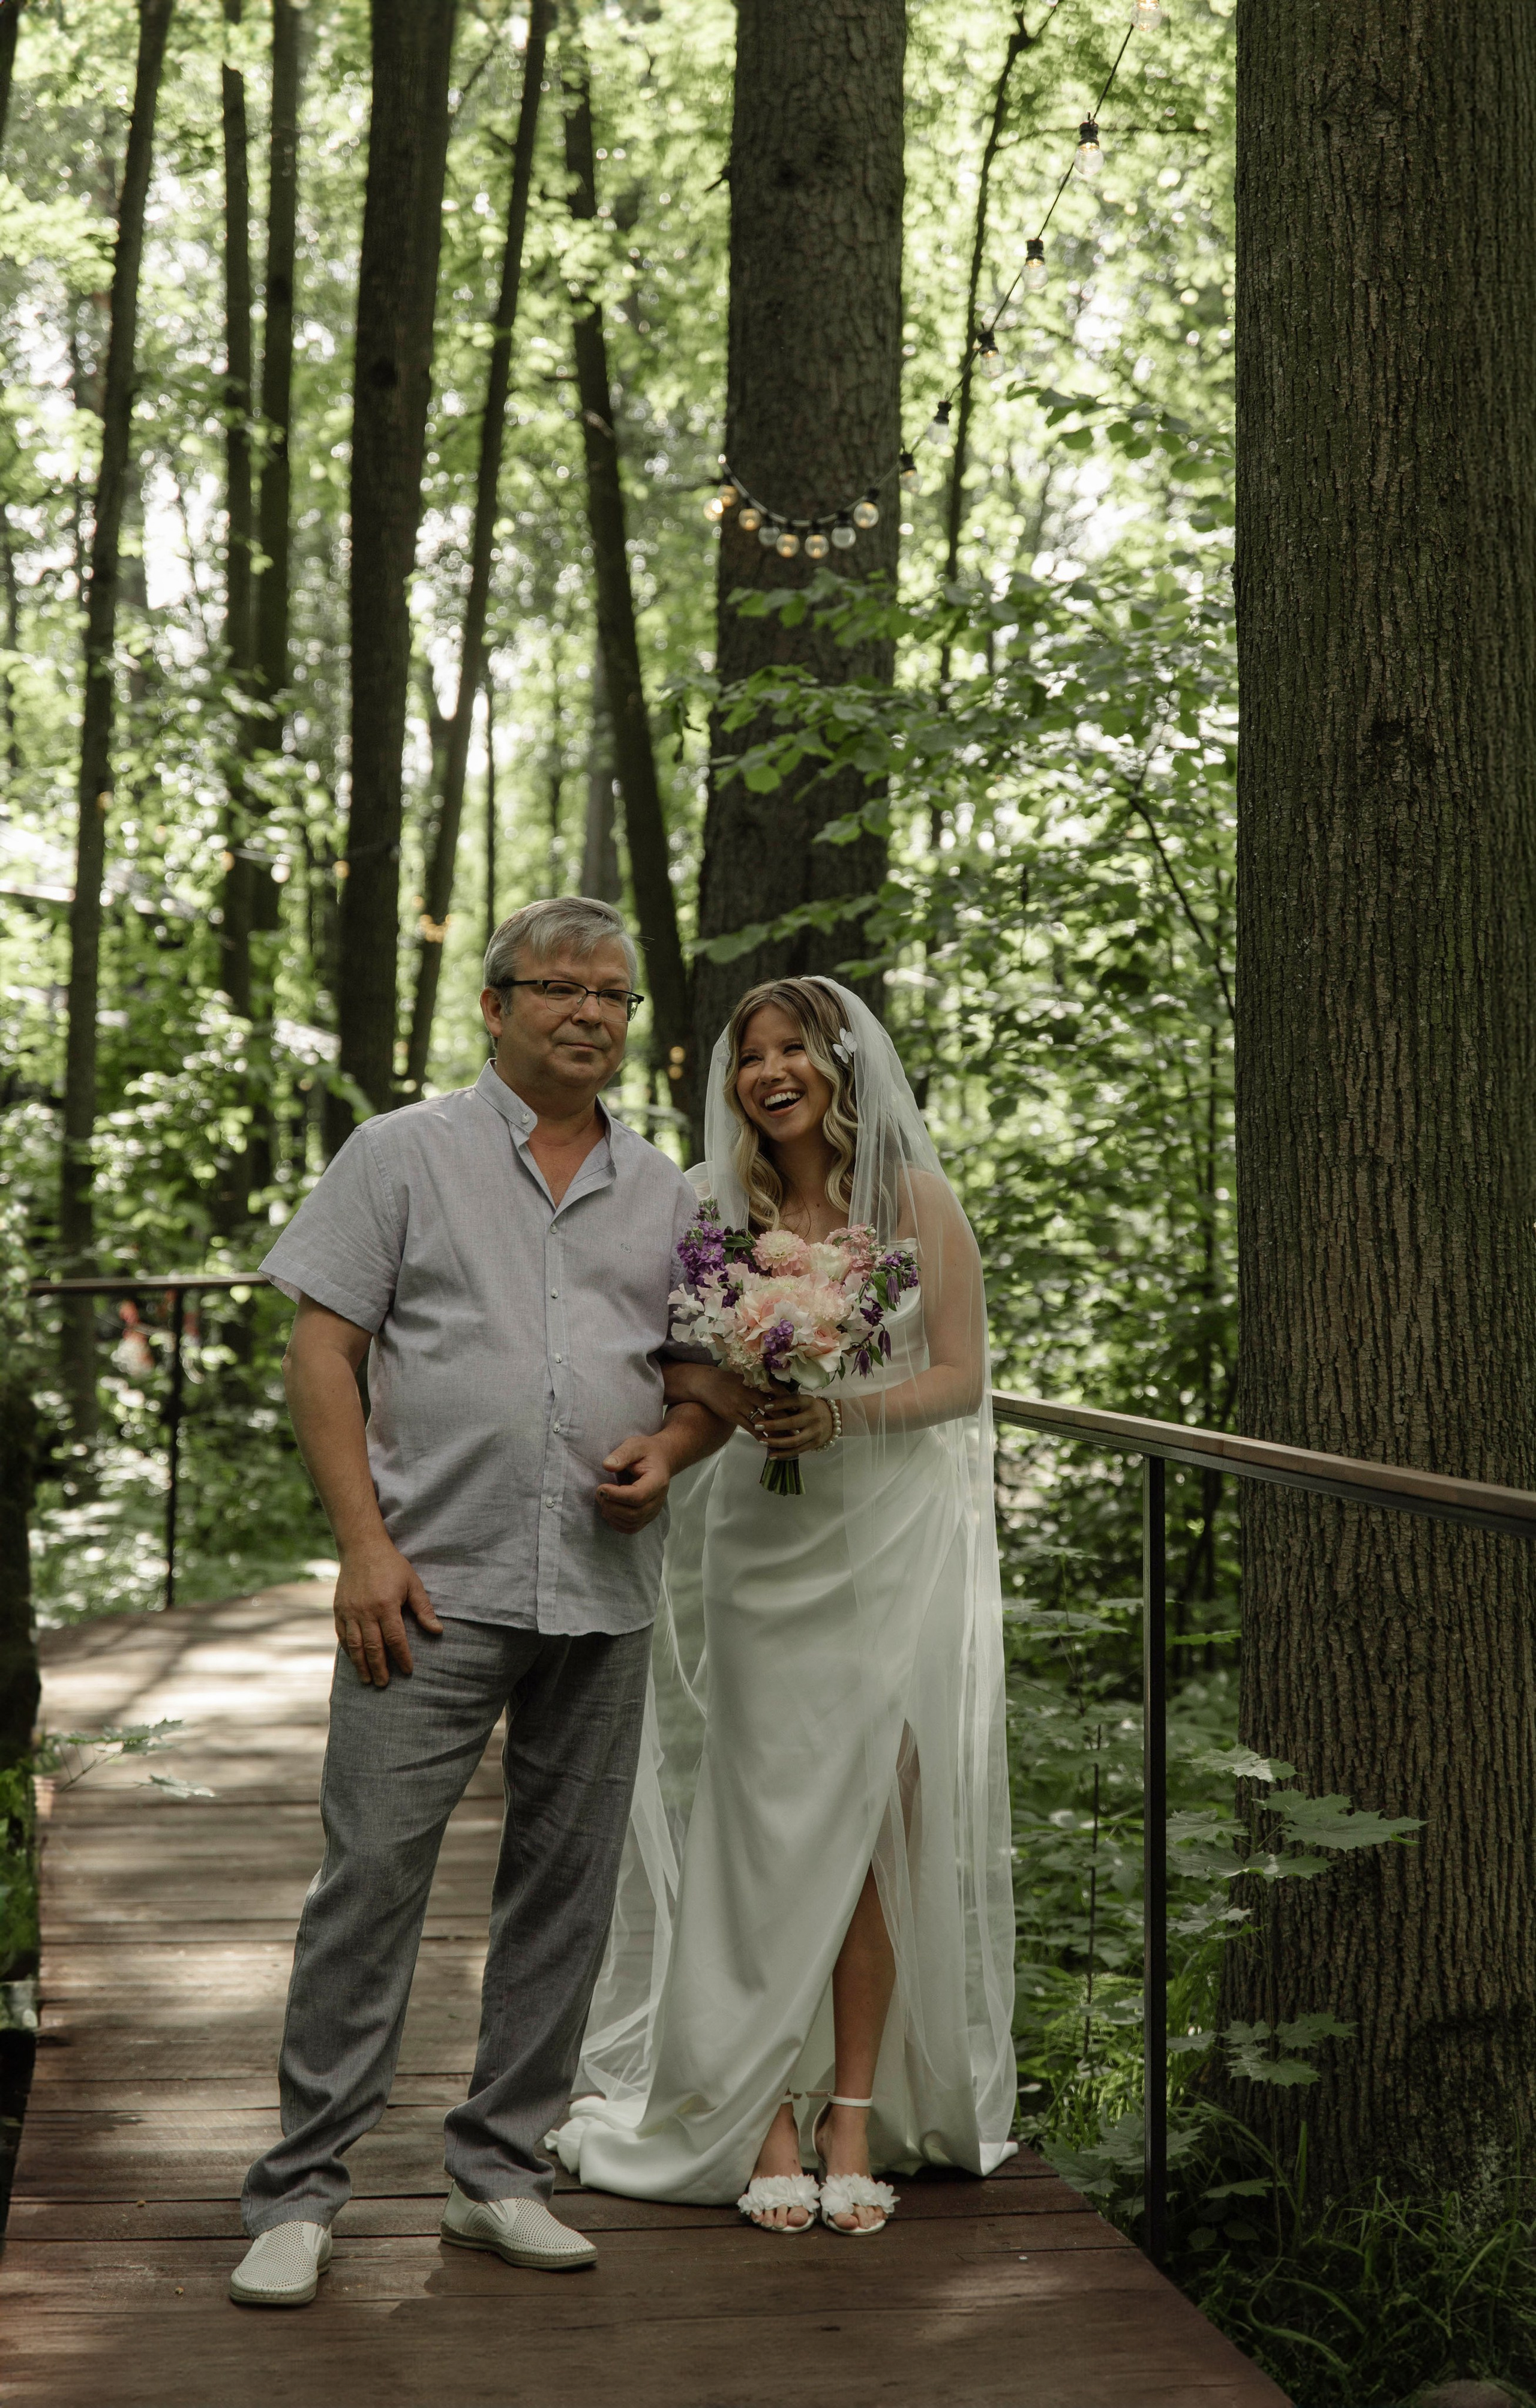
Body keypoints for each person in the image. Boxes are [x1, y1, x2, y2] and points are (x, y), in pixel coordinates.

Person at [228, 897, 728, 2307]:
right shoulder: (401, 1154)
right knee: (371, 1879)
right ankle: (301, 2192)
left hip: (604, 1588)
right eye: (559, 987)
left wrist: (674, 1449)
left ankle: (499, 2174)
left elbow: (705, 1382)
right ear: (496, 1004)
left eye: (611, 996)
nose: (587, 1013)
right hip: (427, 1589)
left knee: (563, 1894)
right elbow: (323, 1351)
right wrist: (361, 1545)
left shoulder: (669, 1193)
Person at [556, 976, 1016, 2236]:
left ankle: (852, 2111)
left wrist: (844, 1409)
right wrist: (730, 1390)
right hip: (762, 1537)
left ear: (839, 1064)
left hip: (882, 1539)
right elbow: (684, 1358)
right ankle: (756, 2111)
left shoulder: (914, 1202)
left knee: (873, 1820)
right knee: (754, 1822)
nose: (768, 1072)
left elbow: (963, 1378)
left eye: (791, 1050)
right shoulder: (707, 1210)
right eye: (748, 1055)